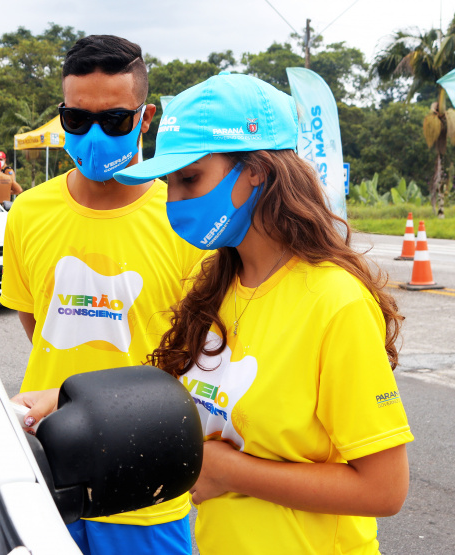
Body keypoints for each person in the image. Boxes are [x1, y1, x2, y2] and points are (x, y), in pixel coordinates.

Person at [113, 72, 414, 554]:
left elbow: (384, 490)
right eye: (168, 184)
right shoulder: (217, 286)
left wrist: (229, 471)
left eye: (190, 179)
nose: (174, 202)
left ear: (258, 170)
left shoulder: (335, 301)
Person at [2, 35, 204, 555]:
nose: (94, 135)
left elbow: (198, 349)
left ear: (145, 116)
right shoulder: (28, 212)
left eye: (113, 120)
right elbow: (35, 321)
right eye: (77, 119)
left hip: (145, 477)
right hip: (47, 467)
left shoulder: (181, 215)